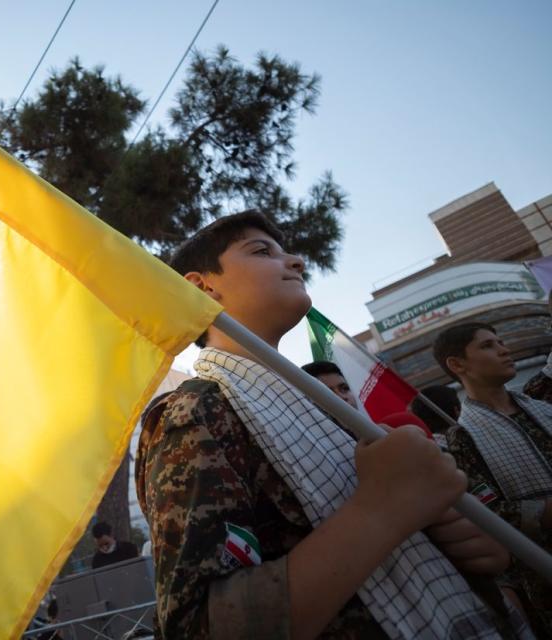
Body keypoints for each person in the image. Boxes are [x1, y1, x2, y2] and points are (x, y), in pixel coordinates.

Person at [136, 212, 526, 639]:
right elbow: (197, 628)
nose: (296, 261)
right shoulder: (192, 413)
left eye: (286, 251)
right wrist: (384, 509)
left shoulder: (326, 410)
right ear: (200, 288)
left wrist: (468, 549)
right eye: (262, 251)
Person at [434, 322, 552, 635]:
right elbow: (486, 513)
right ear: (458, 365)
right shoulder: (462, 438)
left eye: (500, 341)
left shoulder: (543, 409)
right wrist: (545, 512)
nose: (504, 349)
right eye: (487, 346)